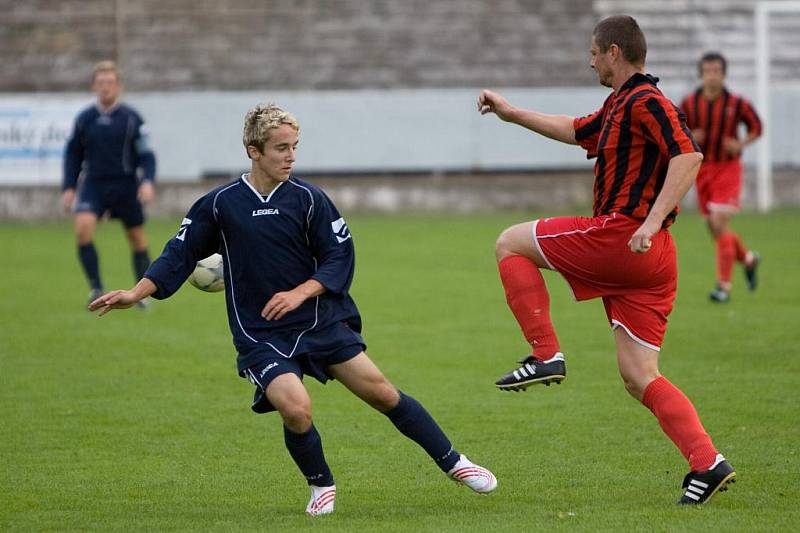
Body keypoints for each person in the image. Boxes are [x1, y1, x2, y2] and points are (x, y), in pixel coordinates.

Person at [88, 104, 497, 516]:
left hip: (320, 319)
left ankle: (455, 463)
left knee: (382, 393)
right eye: (281, 148)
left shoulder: (309, 199)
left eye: (294, 147)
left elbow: (340, 257)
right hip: (260, 332)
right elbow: (179, 253)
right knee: (296, 407)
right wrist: (136, 291)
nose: (290, 156)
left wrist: (301, 292)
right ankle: (321, 483)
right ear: (254, 150)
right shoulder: (220, 204)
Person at [477, 16, 735, 505]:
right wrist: (512, 114)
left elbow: (688, 156)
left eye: (594, 51)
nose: (590, 59)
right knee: (640, 376)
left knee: (510, 242)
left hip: (625, 237)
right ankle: (708, 462)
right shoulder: (619, 104)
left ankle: (545, 352)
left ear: (614, 52)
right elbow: (577, 131)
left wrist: (651, 220)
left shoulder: (647, 101)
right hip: (649, 258)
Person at [61, 60, 157, 306]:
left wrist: (147, 181)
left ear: (118, 86)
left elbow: (146, 154)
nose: (106, 87)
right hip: (94, 183)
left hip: (125, 185)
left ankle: (140, 294)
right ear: (93, 86)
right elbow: (73, 153)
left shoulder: (132, 118)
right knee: (82, 229)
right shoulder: (84, 119)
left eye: (110, 82)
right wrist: (69, 187)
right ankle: (95, 287)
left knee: (137, 238)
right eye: (101, 82)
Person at [680, 52, 762, 303]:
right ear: (701, 74)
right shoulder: (690, 104)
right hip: (702, 169)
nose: (712, 75)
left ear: (724, 74)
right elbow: (677, 129)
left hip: (727, 169)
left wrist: (741, 143)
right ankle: (747, 259)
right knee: (715, 227)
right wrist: (692, 135)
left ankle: (723, 287)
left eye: (716, 71)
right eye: (707, 71)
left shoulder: (737, 103)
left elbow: (757, 127)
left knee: (717, 222)